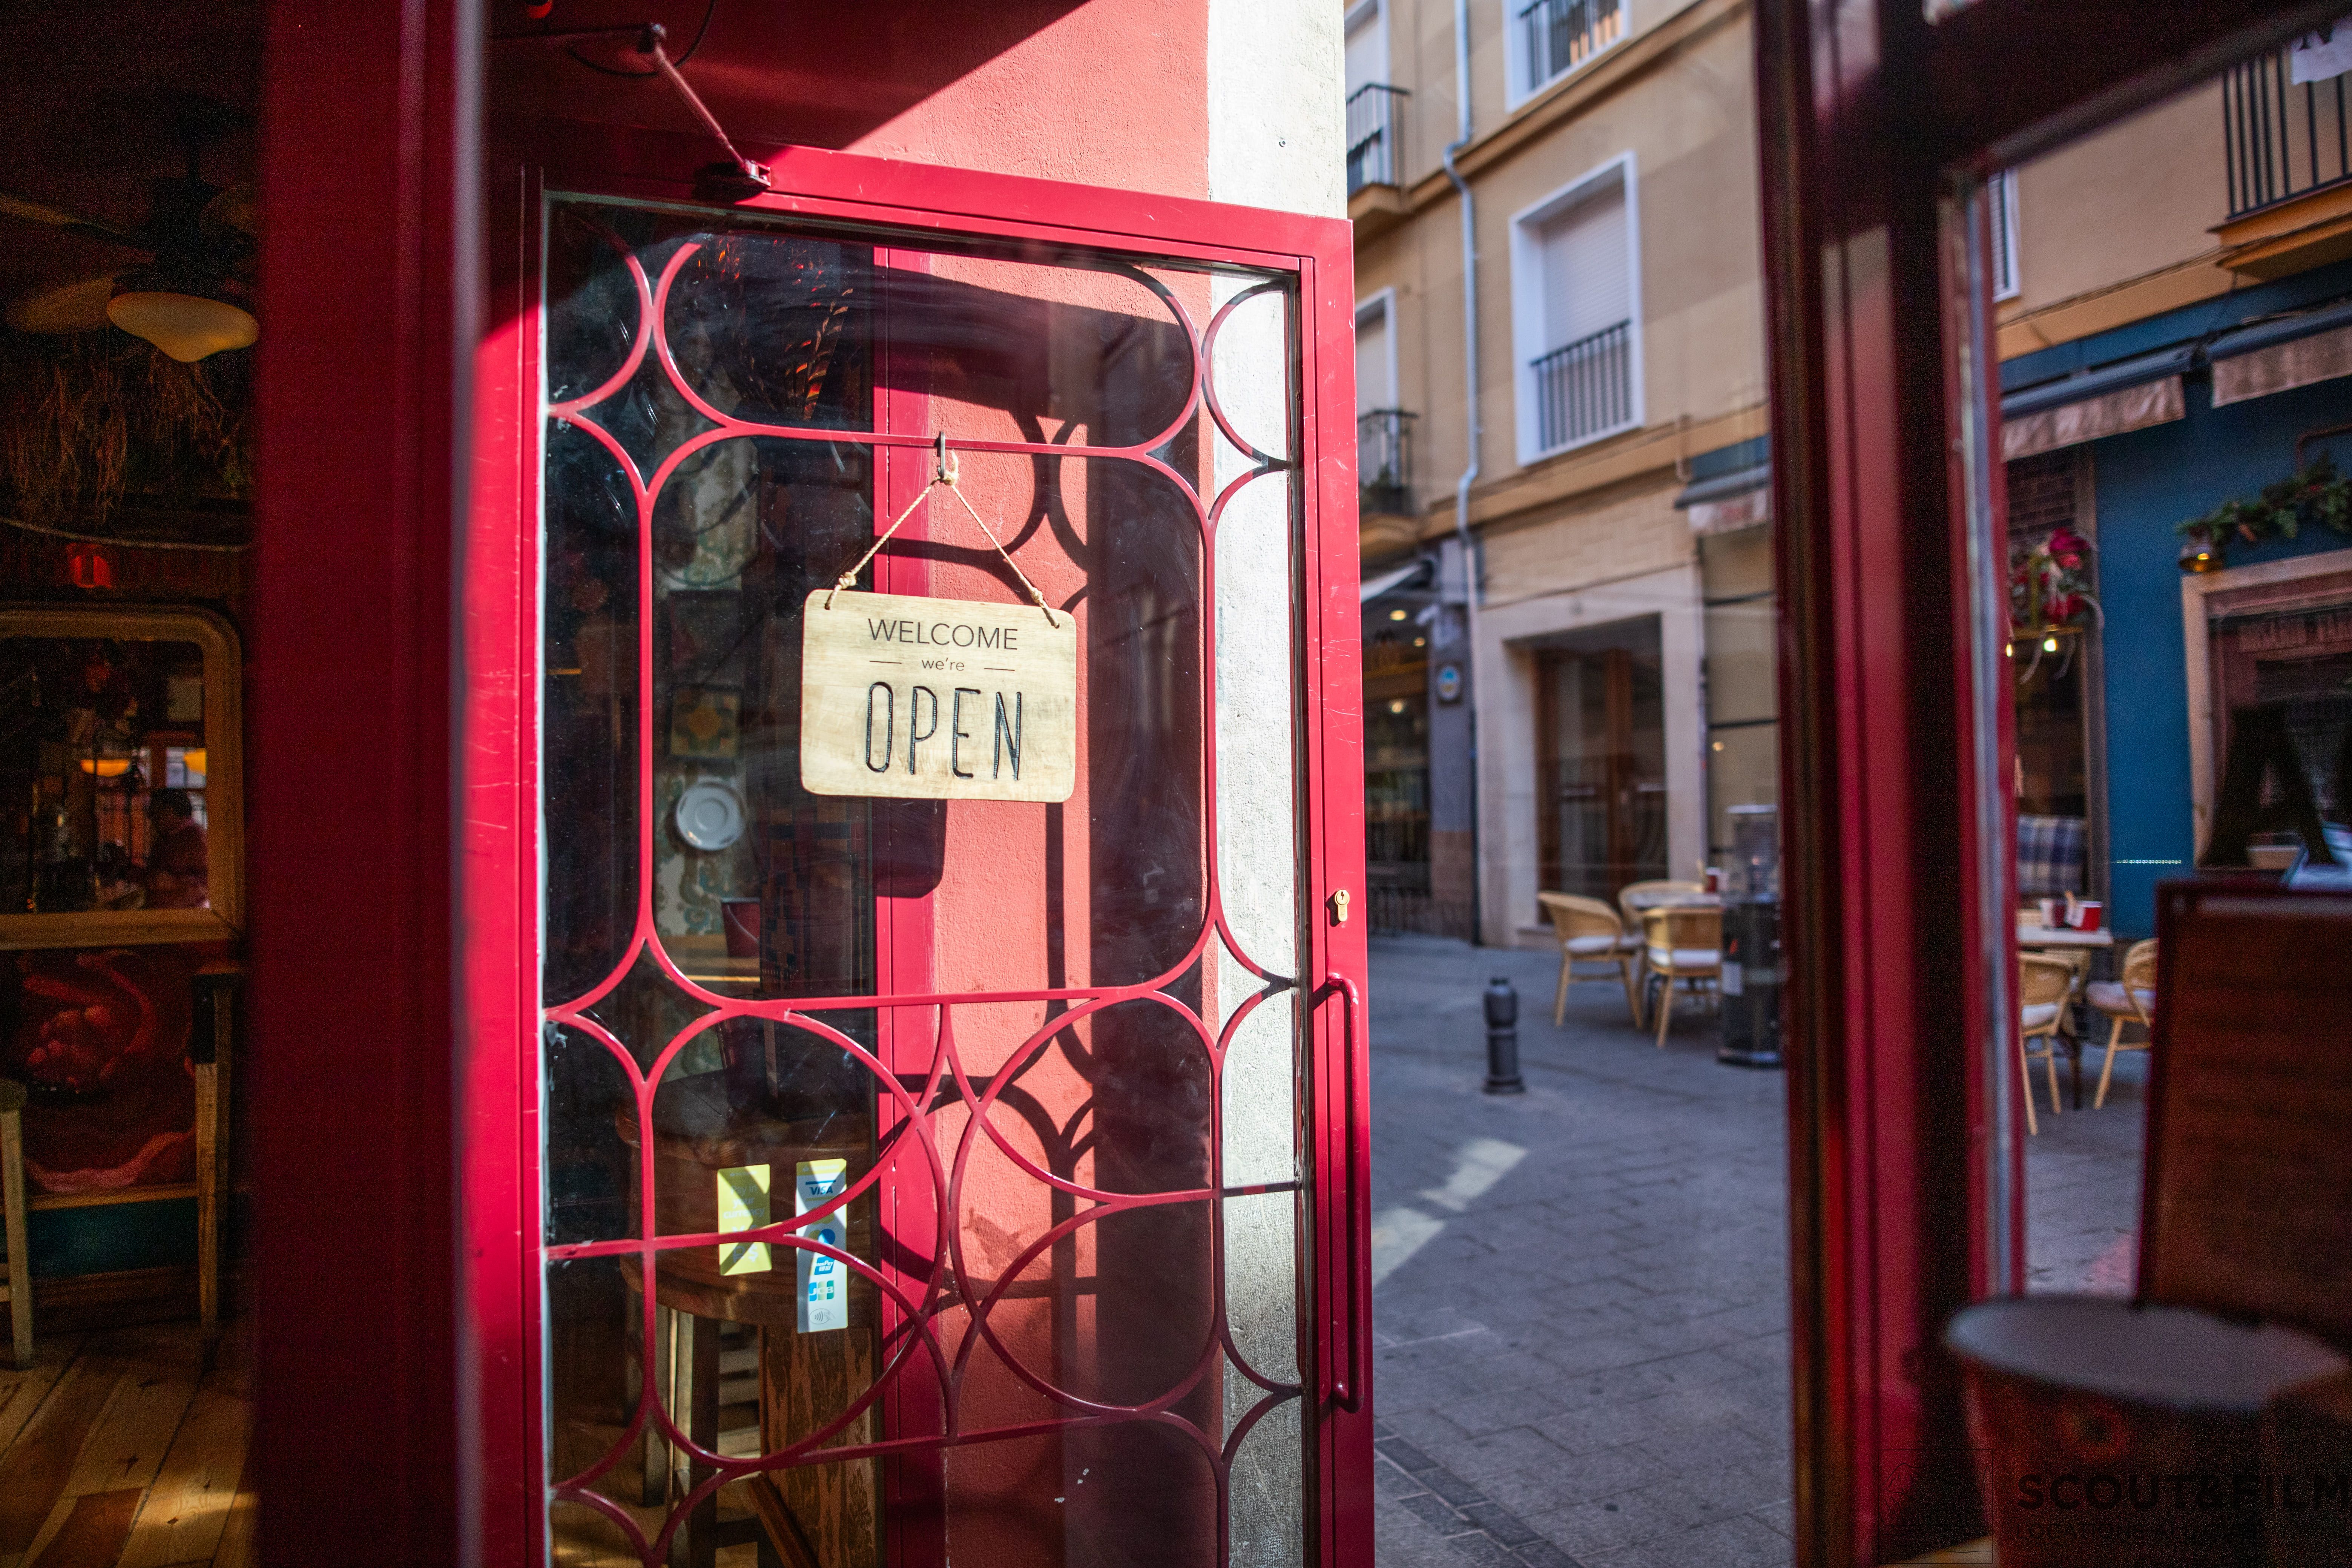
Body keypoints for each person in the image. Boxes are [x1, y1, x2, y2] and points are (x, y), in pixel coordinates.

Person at [143, 788, 209, 909]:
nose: (152, 817)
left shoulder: (195, 838)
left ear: (172, 810)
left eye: (158, 811)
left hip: (186, 914)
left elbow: (208, 880)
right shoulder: (164, 838)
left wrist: (175, 883)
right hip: (166, 912)